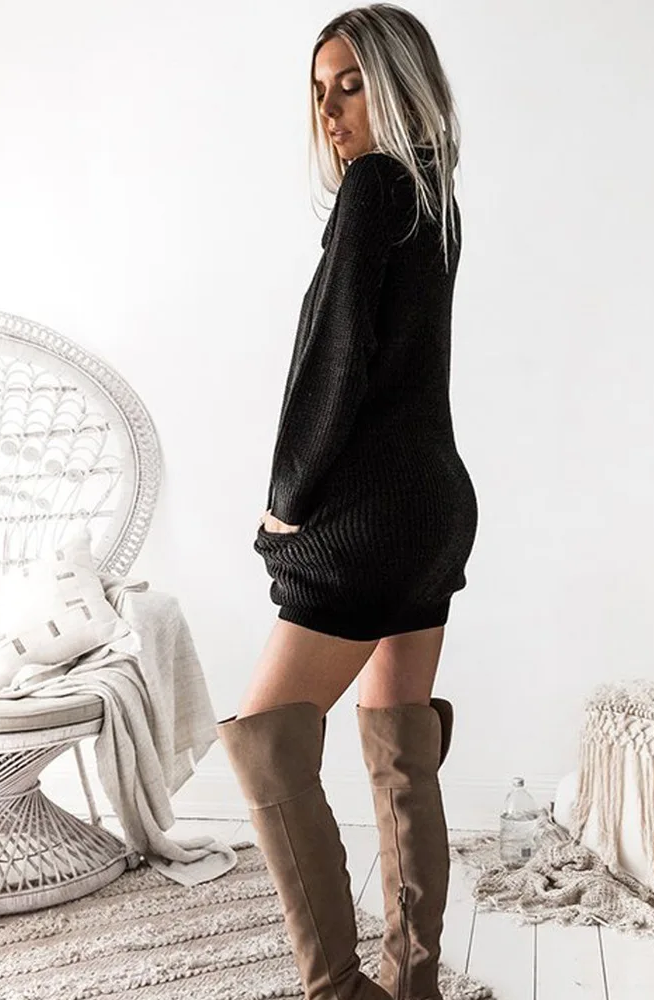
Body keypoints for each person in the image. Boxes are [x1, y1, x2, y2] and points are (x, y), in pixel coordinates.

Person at [216, 5, 478, 999]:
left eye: (351, 85)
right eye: (319, 92)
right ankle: (411, 984)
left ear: (399, 86)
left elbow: (337, 361)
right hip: (433, 506)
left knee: (266, 742)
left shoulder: (374, 187)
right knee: (401, 745)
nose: (330, 112)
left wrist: (288, 499)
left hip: (367, 517)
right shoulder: (434, 196)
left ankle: (336, 991)